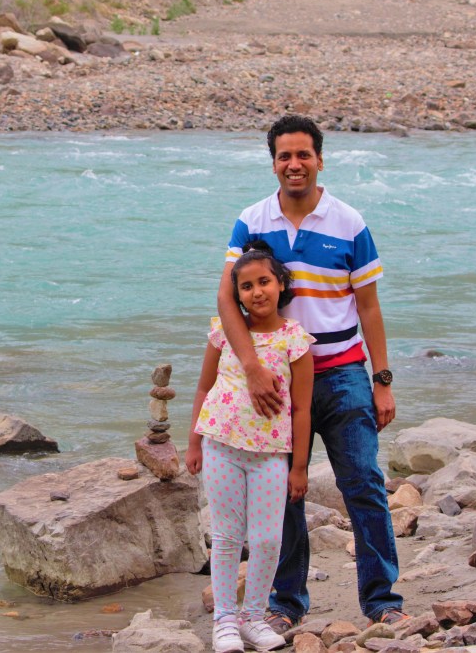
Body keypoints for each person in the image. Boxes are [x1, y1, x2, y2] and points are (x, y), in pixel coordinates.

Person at [216, 114, 407, 632]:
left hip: (343, 374)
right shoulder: (252, 221)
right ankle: (286, 604)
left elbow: (368, 306)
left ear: (320, 159)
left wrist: (382, 381)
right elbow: (226, 298)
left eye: (303, 155)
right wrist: (252, 369)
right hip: (274, 384)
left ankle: (382, 599)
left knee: (364, 483)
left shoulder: (349, 222)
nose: (294, 164)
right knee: (282, 494)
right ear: (273, 163)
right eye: (285, 156)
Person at [187, 242, 313, 653]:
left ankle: (253, 617)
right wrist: (194, 442)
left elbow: (301, 408)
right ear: (236, 294)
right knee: (226, 536)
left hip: (271, 456)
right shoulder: (223, 332)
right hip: (221, 446)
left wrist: (299, 467)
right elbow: (204, 387)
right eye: (246, 286)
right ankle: (224, 620)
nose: (257, 292)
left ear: (281, 284)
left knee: (267, 540)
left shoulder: (295, 340)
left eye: (264, 282)